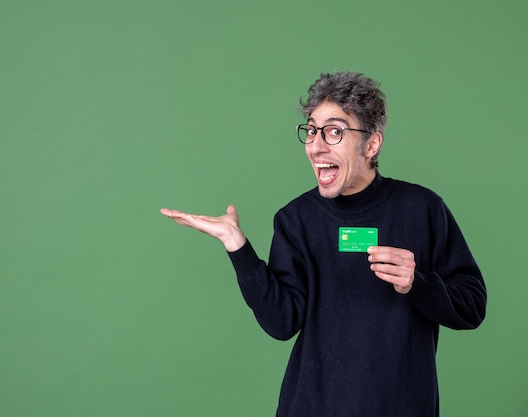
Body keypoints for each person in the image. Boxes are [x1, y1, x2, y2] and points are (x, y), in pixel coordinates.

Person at [160, 71, 486, 417]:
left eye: (334, 131)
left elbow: (473, 306)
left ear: (371, 144)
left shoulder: (422, 209)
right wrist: (237, 247)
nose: (315, 146)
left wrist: (418, 282)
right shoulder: (296, 220)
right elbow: (281, 322)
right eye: (312, 130)